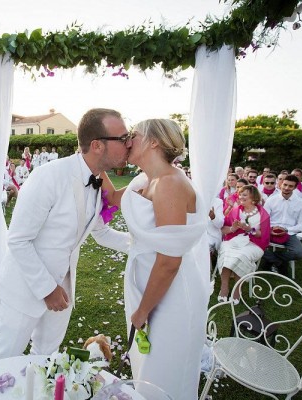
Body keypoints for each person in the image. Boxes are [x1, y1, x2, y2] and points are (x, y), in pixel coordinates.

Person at [0, 108, 130, 360]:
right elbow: (19, 239)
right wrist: (47, 289)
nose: (128, 144)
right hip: (26, 286)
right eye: (122, 138)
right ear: (97, 145)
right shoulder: (48, 175)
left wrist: (145, 245)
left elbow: (101, 232)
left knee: (45, 355)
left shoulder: (99, 182)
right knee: (4, 357)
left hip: (64, 288)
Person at [100, 118, 210, 399]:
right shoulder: (145, 179)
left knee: (165, 375)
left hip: (172, 295)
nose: (128, 140)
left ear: (153, 142)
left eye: (134, 135)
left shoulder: (170, 184)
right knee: (149, 369)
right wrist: (95, 157)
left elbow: (169, 261)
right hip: (152, 287)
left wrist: (142, 310)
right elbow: (112, 197)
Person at [217, 185, 270, 303]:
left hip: (254, 244)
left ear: (254, 198)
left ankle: (237, 290)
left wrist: (249, 229)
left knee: (241, 256)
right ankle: (224, 287)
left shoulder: (263, 214)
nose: (240, 197)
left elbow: (263, 235)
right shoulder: (235, 211)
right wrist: (233, 228)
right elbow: (223, 230)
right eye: (240, 194)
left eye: (244, 195)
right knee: (226, 252)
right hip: (233, 240)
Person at [262, 175, 302, 275]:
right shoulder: (271, 200)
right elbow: (264, 219)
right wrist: (270, 229)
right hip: (270, 230)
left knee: (299, 253)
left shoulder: (301, 203)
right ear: (280, 184)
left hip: (289, 233)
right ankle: (279, 263)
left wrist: (286, 230)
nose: (286, 188)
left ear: (295, 187)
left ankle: (272, 259)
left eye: (290, 186)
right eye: (285, 185)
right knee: (254, 244)